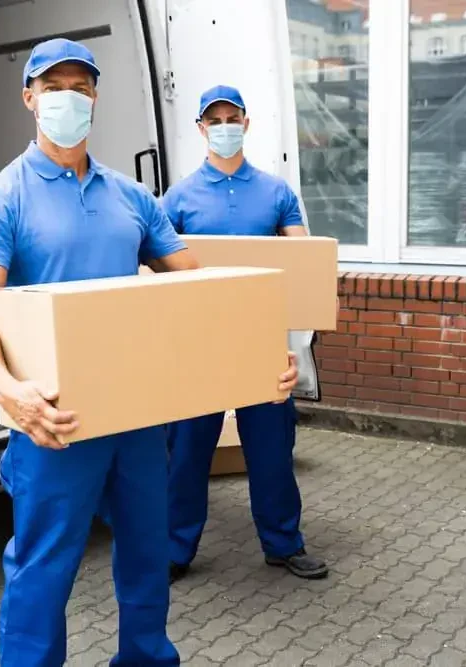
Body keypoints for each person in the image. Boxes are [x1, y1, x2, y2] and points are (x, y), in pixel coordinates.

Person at [0, 43, 299, 666]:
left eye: (80, 87)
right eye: (52, 85)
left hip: (138, 417)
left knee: (145, 554)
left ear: (94, 99)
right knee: (43, 569)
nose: (67, 97)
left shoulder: (130, 198)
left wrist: (263, 356)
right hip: (55, 420)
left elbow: (202, 289)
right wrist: (8, 391)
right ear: (29, 97)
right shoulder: (3, 198)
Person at [159, 85, 328, 582]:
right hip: (200, 343)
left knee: (272, 449)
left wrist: (298, 342)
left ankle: (283, 543)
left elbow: (304, 265)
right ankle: (174, 549)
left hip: (262, 342)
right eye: (215, 120)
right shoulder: (179, 197)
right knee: (188, 451)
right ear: (200, 129)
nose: (224, 127)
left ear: (246, 124)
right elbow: (157, 270)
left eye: (232, 118)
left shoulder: (277, 193)